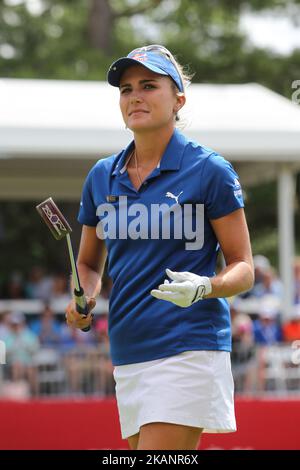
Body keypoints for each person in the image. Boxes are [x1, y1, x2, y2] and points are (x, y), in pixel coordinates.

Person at [65, 45, 254, 450]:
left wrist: (205, 286)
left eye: (149, 86)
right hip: (128, 350)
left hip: (189, 343)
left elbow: (243, 266)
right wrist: (83, 298)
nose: (135, 96)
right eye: (126, 88)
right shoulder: (102, 176)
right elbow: (87, 263)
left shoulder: (208, 169)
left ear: (178, 100)